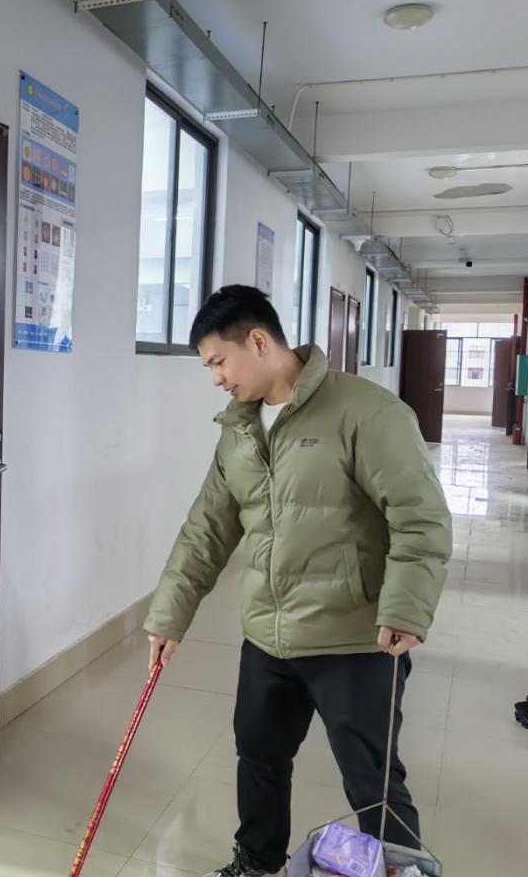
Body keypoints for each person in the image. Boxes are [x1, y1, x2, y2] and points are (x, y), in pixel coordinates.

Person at [144, 285, 451, 877]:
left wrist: (407, 608)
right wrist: (168, 615)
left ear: (259, 342)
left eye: (218, 362)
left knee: (372, 778)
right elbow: (206, 530)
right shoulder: (238, 429)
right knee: (259, 758)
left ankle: (403, 870)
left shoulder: (366, 412)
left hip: (354, 637)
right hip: (268, 634)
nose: (215, 379)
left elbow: (420, 517)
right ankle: (257, 863)